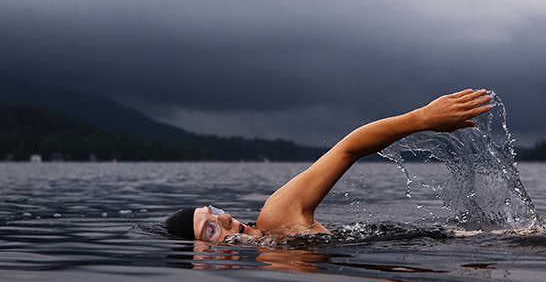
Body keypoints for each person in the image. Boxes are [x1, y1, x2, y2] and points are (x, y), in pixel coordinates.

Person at [165, 89, 493, 242]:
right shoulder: (272, 272)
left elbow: (347, 149)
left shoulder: (276, 217)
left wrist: (421, 119)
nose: (225, 218)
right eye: (210, 228)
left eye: (215, 211)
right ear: (202, 258)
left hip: (472, 241)